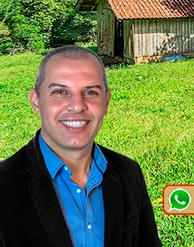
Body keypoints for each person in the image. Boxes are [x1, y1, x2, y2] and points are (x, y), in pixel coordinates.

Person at [0, 45, 162, 247]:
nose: (77, 106)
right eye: (60, 91)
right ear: (36, 101)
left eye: (91, 92)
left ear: (106, 102)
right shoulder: (4, 184)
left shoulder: (129, 173)